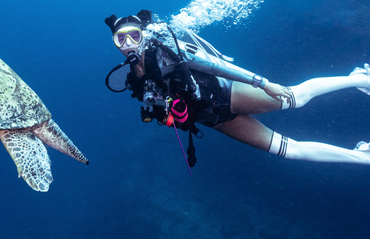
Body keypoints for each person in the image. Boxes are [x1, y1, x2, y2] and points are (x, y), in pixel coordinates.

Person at [105, 9, 370, 168]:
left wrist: (264, 83)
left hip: (227, 93)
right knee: (290, 151)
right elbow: (166, 111)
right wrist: (172, 116)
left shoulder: (168, 50)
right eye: (121, 38)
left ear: (144, 35)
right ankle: (363, 157)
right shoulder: (133, 80)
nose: (128, 43)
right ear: (115, 43)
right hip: (213, 119)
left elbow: (216, 67)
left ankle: (360, 78)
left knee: (295, 98)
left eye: (134, 36)